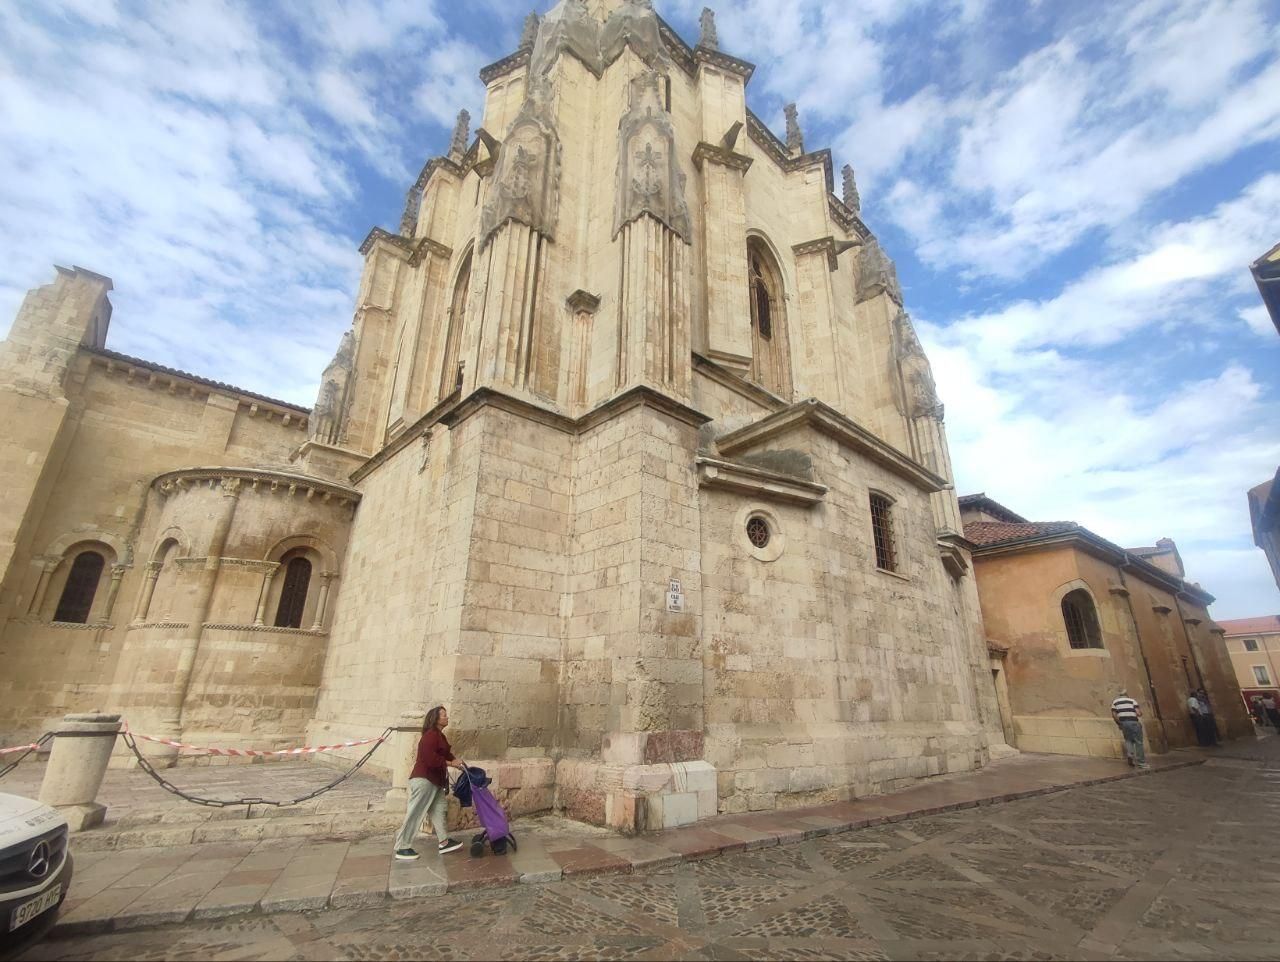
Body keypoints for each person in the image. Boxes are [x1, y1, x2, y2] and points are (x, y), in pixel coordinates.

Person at [394, 705, 465, 860]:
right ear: (436, 719)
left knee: (439, 809)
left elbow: (446, 754)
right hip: (424, 780)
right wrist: (451, 763)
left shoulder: (440, 736)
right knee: (416, 812)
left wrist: (457, 762)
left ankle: (444, 842)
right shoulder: (430, 736)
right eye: (444, 715)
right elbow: (430, 759)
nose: (447, 717)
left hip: (435, 782)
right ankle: (402, 847)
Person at [1110, 689, 1149, 769]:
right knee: (1138, 742)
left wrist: (1119, 723)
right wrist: (1140, 713)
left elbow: (1114, 715)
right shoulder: (1132, 701)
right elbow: (1138, 713)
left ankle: (1130, 755)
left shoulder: (1115, 702)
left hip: (1124, 723)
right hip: (1134, 722)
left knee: (1128, 740)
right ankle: (1141, 763)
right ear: (1126, 695)